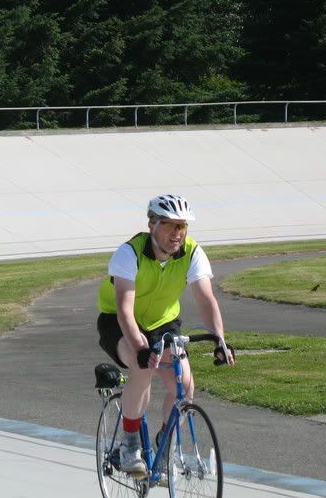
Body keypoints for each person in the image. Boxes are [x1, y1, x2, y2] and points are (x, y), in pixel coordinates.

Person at [97, 194, 235, 477]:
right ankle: (130, 445)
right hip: (119, 320)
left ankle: (164, 443)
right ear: (152, 224)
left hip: (163, 322)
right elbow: (124, 310)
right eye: (170, 225)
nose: (177, 233)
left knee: (185, 385)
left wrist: (219, 340)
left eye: (182, 226)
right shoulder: (129, 254)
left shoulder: (192, 252)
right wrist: (140, 348)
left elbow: (206, 300)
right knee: (143, 367)